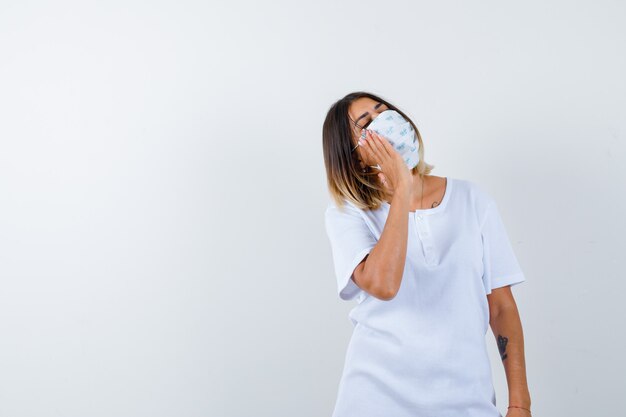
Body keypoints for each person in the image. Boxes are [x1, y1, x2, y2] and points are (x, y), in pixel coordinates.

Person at [321, 91, 532, 417]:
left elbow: (502, 307)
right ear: (352, 157)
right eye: (367, 124)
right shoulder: (349, 214)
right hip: (373, 401)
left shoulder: (472, 200)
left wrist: (520, 404)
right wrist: (402, 189)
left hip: (465, 400)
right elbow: (384, 285)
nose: (384, 121)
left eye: (384, 111)